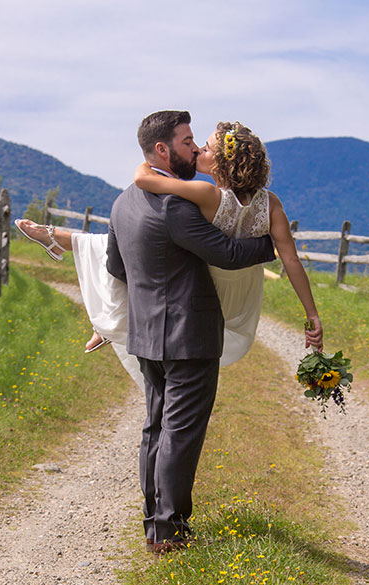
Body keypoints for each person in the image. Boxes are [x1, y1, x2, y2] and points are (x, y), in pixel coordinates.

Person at [15, 121, 324, 380]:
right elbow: (293, 262)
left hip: (207, 292)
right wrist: (312, 315)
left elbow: (142, 180)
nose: (197, 151)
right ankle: (102, 310)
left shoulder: (206, 193)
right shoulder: (271, 204)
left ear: (220, 162)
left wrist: (151, 156)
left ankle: (83, 271)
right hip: (242, 300)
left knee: (142, 246)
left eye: (205, 147)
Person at [107, 110, 276, 554]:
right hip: (190, 335)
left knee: (156, 429)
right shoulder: (175, 206)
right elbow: (226, 253)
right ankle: (169, 532)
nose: (194, 147)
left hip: (147, 335)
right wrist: (270, 241)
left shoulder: (122, 202)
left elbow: (114, 267)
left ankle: (154, 521)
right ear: (162, 149)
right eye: (186, 142)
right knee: (180, 434)